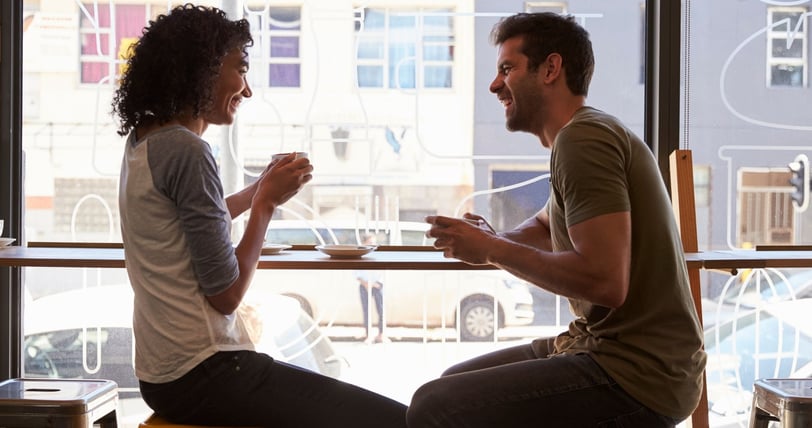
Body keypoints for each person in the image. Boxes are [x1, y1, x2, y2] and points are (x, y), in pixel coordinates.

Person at [113, 5, 407, 427]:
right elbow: (226, 294)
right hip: (207, 371)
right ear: (204, 69)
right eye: (241, 69)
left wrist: (254, 192)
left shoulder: (143, 142)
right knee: (398, 420)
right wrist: (266, 205)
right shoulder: (188, 151)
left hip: (162, 376)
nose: (247, 90)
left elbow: (184, 224)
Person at [407, 12, 706, 428]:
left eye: (507, 69)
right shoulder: (584, 136)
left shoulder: (582, 140)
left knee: (436, 406)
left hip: (638, 373)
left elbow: (605, 282)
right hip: (602, 347)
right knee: (453, 384)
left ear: (550, 68)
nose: (495, 85)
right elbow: (548, 227)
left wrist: (494, 250)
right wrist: (493, 238)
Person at [354, 233, 387, 344]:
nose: (373, 244)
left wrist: (375, 284)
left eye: (374, 242)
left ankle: (381, 334)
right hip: (364, 286)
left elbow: (383, 270)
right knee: (366, 311)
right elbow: (357, 274)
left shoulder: (379, 254)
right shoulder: (359, 255)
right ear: (364, 243)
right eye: (370, 242)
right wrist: (366, 283)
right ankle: (369, 335)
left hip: (378, 285)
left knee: (381, 310)